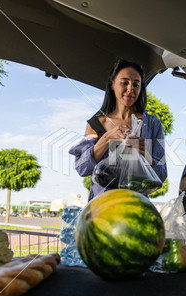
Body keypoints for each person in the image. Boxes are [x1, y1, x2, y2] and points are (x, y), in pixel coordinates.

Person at [69, 59, 167, 200]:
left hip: (136, 204)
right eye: (124, 82)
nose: (130, 89)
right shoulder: (95, 124)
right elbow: (82, 168)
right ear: (112, 84)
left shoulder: (152, 124)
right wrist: (106, 139)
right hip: (102, 206)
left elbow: (162, 174)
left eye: (136, 85)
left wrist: (145, 154)